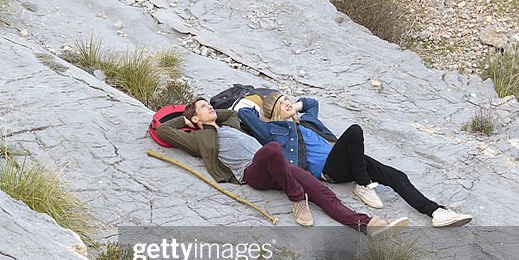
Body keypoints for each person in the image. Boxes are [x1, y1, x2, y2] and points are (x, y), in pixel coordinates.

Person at [156, 97, 409, 237]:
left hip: (274, 165)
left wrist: (206, 114)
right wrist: (187, 118)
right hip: (252, 172)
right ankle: (297, 199)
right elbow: (164, 130)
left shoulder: (230, 124)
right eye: (203, 107)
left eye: (207, 104)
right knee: (273, 150)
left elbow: (230, 112)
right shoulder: (199, 139)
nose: (209, 107)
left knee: (322, 193)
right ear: (195, 119)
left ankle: (368, 225)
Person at [237, 93, 472, 228]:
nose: (288, 103)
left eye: (288, 98)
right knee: (354, 131)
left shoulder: (307, 121)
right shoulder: (273, 130)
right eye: (282, 103)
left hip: (348, 160)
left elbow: (311, 103)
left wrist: (292, 106)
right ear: (274, 112)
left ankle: (437, 213)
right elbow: (244, 113)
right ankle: (362, 184)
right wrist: (265, 109)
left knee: (396, 176)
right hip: (329, 170)